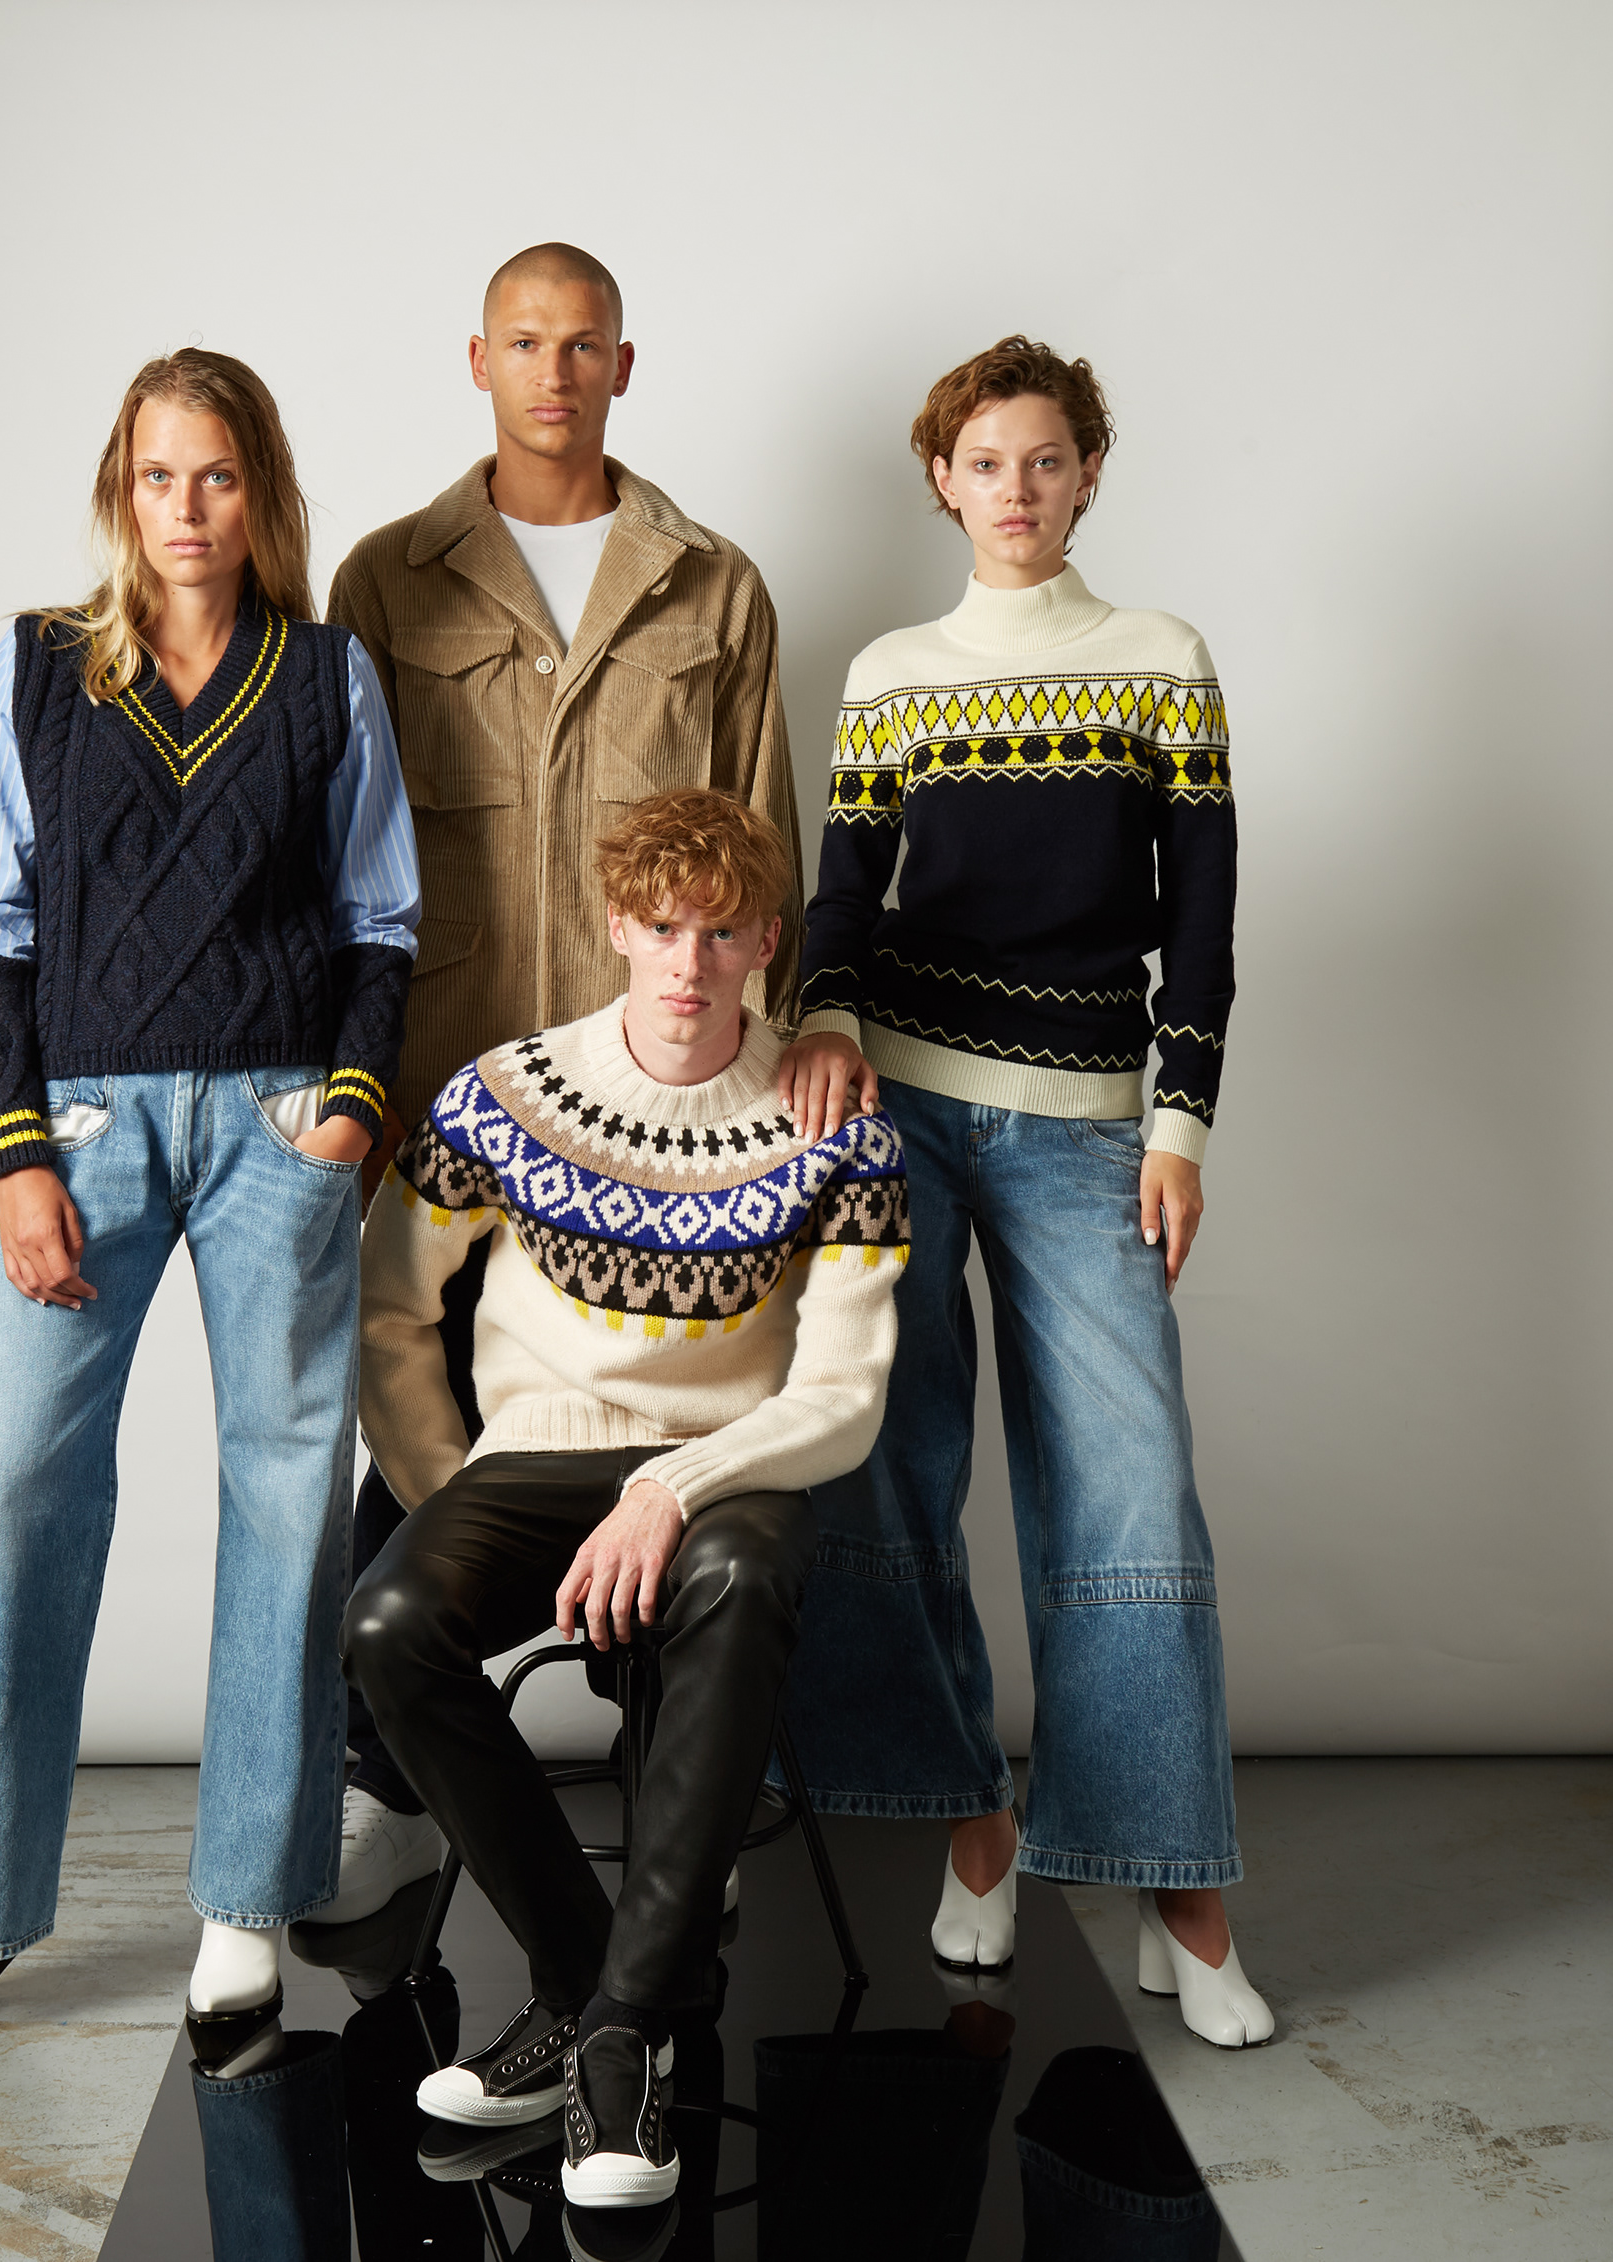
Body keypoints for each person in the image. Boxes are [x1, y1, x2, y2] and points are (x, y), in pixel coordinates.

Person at [0, 350, 420, 2048]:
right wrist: (16, 1151)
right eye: (159, 476)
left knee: (287, 1498)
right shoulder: (40, 669)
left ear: (261, 491)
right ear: (120, 489)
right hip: (80, 1126)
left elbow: (382, 921)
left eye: (217, 475)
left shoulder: (328, 677)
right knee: (12, 1491)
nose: (187, 508)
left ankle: (246, 1902)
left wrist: (347, 1119)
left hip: (280, 1121)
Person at [779, 336, 1273, 2049]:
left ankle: (1177, 1893)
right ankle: (971, 1826)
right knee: (890, 1465)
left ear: (1088, 475)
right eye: (985, 461)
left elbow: (1201, 917)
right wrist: (825, 1023)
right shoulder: (891, 674)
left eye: (1046, 459)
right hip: (901, 1113)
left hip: (1086, 1129)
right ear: (943, 479)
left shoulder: (1161, 661)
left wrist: (1180, 1125)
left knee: (1130, 1493)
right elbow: (843, 898)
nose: (1016, 488)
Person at [320, 242, 802, 1922]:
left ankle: (681, 1811)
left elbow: (765, 856)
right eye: (524, 341)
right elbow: (342, 858)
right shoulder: (390, 582)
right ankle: (386, 1783)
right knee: (419, 1437)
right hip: (446, 1105)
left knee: (676, 1429)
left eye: (583, 342)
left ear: (623, 365)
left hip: (668, 1118)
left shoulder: (711, 585)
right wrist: (351, 1079)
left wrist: (767, 1095)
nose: (554, 369)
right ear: (479, 360)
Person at [343, 789, 907, 2206]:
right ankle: (595, 1989)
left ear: (768, 942)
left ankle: (616, 2036)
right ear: (616, 928)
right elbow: (389, 1305)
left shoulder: (838, 1128)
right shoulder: (508, 1092)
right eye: (663, 929)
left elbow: (842, 1396)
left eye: (721, 933)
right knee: (390, 1621)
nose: (688, 964)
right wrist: (449, 1492)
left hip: (733, 1467)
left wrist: (673, 1485)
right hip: (533, 1462)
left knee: (740, 1576)